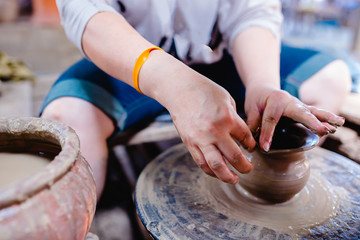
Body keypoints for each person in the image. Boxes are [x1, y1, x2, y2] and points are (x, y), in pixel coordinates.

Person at [40, 0, 351, 199]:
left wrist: (263, 84)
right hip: (132, 59)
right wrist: (174, 83)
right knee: (67, 119)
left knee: (331, 77)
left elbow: (252, 10)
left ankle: (277, 173)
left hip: (221, 55)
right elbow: (86, 11)